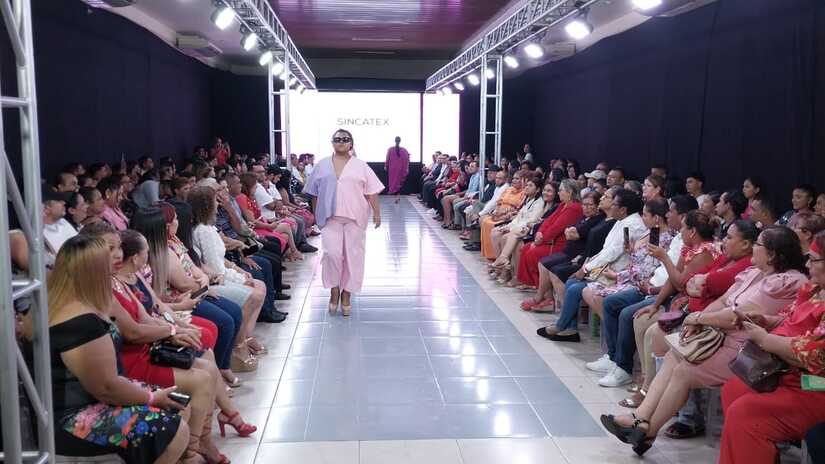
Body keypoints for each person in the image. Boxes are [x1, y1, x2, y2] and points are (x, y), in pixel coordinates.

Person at [601, 226, 808, 456]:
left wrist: (698, 318)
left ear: (772, 254)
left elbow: (737, 316)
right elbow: (724, 301)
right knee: (674, 354)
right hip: (720, 336)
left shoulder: (787, 282)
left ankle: (648, 431)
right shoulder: (754, 273)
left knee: (684, 372)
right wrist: (697, 321)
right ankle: (640, 418)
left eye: (758, 244)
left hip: (748, 350)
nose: (754, 248)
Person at [22, 235, 188, 464]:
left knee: (179, 402)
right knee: (174, 429)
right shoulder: (81, 322)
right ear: (95, 272)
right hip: (70, 418)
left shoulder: (59, 303)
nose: (117, 259)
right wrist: (151, 397)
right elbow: (107, 388)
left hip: (69, 406)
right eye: (109, 257)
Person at [719, 234, 825, 463]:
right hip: (787, 372)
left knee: (744, 414)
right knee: (734, 389)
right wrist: (766, 320)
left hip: (816, 385)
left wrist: (765, 340)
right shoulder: (814, 289)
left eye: (814, 259)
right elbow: (790, 319)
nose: (807, 264)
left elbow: (815, 353)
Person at [537, 188, 646, 342]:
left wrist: (586, 268)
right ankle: (569, 328)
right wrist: (587, 266)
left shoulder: (631, 225)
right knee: (571, 282)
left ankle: (563, 326)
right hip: (606, 267)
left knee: (574, 287)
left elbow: (613, 253)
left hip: (617, 273)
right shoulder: (622, 221)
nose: (611, 206)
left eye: (614, 204)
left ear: (623, 209)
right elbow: (607, 250)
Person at [303, 129, 384, 316]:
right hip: (329, 218)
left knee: (353, 256)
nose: (341, 142)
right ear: (332, 142)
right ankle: (334, 289)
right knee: (332, 254)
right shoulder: (322, 165)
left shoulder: (361, 166)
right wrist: (316, 215)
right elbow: (314, 193)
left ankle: (347, 292)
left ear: (351, 143)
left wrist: (377, 213)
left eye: (345, 139)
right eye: (337, 139)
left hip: (355, 218)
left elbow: (371, 191)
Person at [521, 190, 606, 311]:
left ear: (597, 206)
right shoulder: (583, 217)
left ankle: (562, 307)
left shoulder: (596, 219)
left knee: (551, 268)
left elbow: (572, 233)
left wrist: (570, 232)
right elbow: (565, 229)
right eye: (584, 204)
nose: (586, 208)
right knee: (541, 261)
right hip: (569, 251)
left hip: (577, 255)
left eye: (590, 205)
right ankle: (548, 299)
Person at [515, 179, 583, 289]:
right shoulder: (563, 205)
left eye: (560, 190)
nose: (558, 193)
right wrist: (539, 233)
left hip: (561, 244)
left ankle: (542, 289)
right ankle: (530, 282)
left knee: (532, 252)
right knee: (526, 248)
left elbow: (556, 228)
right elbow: (548, 221)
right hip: (549, 240)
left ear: (569, 192)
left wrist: (540, 240)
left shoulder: (574, 208)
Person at [487, 178, 548, 279]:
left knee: (504, 237)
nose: (526, 187)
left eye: (530, 185)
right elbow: (518, 218)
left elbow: (530, 221)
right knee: (495, 232)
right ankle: (500, 266)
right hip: (517, 227)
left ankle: (505, 267)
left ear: (537, 189)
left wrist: (510, 229)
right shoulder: (529, 200)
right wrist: (507, 226)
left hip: (526, 229)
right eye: (526, 185)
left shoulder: (539, 203)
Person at [480, 171, 526, 259]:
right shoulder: (509, 189)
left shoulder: (523, 193)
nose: (514, 180)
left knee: (492, 226)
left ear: (523, 181)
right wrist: (497, 211)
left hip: (509, 215)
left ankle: (497, 257)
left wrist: (504, 214)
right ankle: (489, 255)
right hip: (499, 213)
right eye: (513, 178)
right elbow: (499, 201)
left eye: (517, 179)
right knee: (485, 221)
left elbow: (518, 208)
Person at [385, 136, 410, 203]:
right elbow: (407, 159)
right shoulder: (404, 150)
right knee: (398, 183)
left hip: (392, 169)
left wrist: (386, 165)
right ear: (400, 141)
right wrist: (406, 168)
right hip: (401, 169)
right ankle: (397, 197)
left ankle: (396, 198)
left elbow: (387, 158)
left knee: (393, 183)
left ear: (395, 140)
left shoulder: (390, 149)